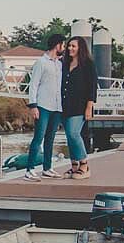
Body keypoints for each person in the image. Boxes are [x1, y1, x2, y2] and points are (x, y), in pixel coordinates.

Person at [23, 33, 66, 181]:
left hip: (57, 107)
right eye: (63, 45)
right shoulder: (41, 62)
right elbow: (33, 85)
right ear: (57, 45)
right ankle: (29, 170)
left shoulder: (60, 64)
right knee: (38, 137)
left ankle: (47, 168)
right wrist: (33, 106)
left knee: (50, 138)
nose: (64, 48)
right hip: (42, 106)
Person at [61, 36, 97, 179]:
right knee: (69, 137)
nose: (70, 48)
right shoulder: (65, 63)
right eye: (69, 46)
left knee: (74, 133)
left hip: (80, 106)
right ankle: (74, 166)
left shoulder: (88, 64)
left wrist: (89, 107)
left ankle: (84, 164)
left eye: (73, 46)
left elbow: (92, 87)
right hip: (65, 106)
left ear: (80, 48)